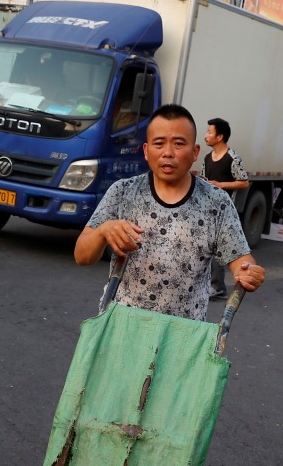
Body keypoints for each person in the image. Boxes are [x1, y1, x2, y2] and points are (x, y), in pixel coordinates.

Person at [74, 104, 265, 321]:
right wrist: (103, 232)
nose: (168, 153)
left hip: (184, 336)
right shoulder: (122, 192)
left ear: (194, 153)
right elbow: (82, 256)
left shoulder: (217, 202)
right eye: (159, 143)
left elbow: (241, 260)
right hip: (121, 326)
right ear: (146, 151)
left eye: (178, 144)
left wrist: (248, 272)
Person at [200, 117, 250, 299]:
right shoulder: (207, 157)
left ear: (220, 136)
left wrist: (221, 185)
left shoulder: (232, 158)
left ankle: (218, 286)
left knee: (216, 249)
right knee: (206, 248)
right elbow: (205, 180)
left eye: (209, 132)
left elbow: (244, 183)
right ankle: (214, 285)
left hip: (224, 211)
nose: (206, 136)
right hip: (207, 208)